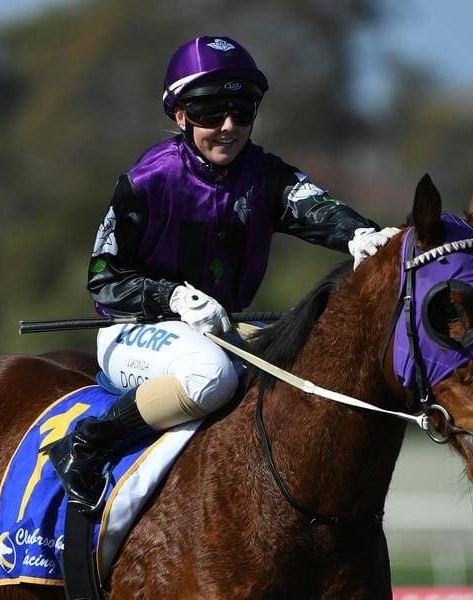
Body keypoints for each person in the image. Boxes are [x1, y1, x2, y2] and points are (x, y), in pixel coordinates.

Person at [47, 35, 399, 511]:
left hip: (223, 328)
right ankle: (88, 443)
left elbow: (315, 207)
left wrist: (362, 236)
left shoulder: (265, 173)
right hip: (135, 332)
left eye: (242, 111)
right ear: (180, 115)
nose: (228, 127)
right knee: (209, 374)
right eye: (211, 112)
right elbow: (104, 282)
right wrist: (171, 298)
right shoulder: (148, 181)